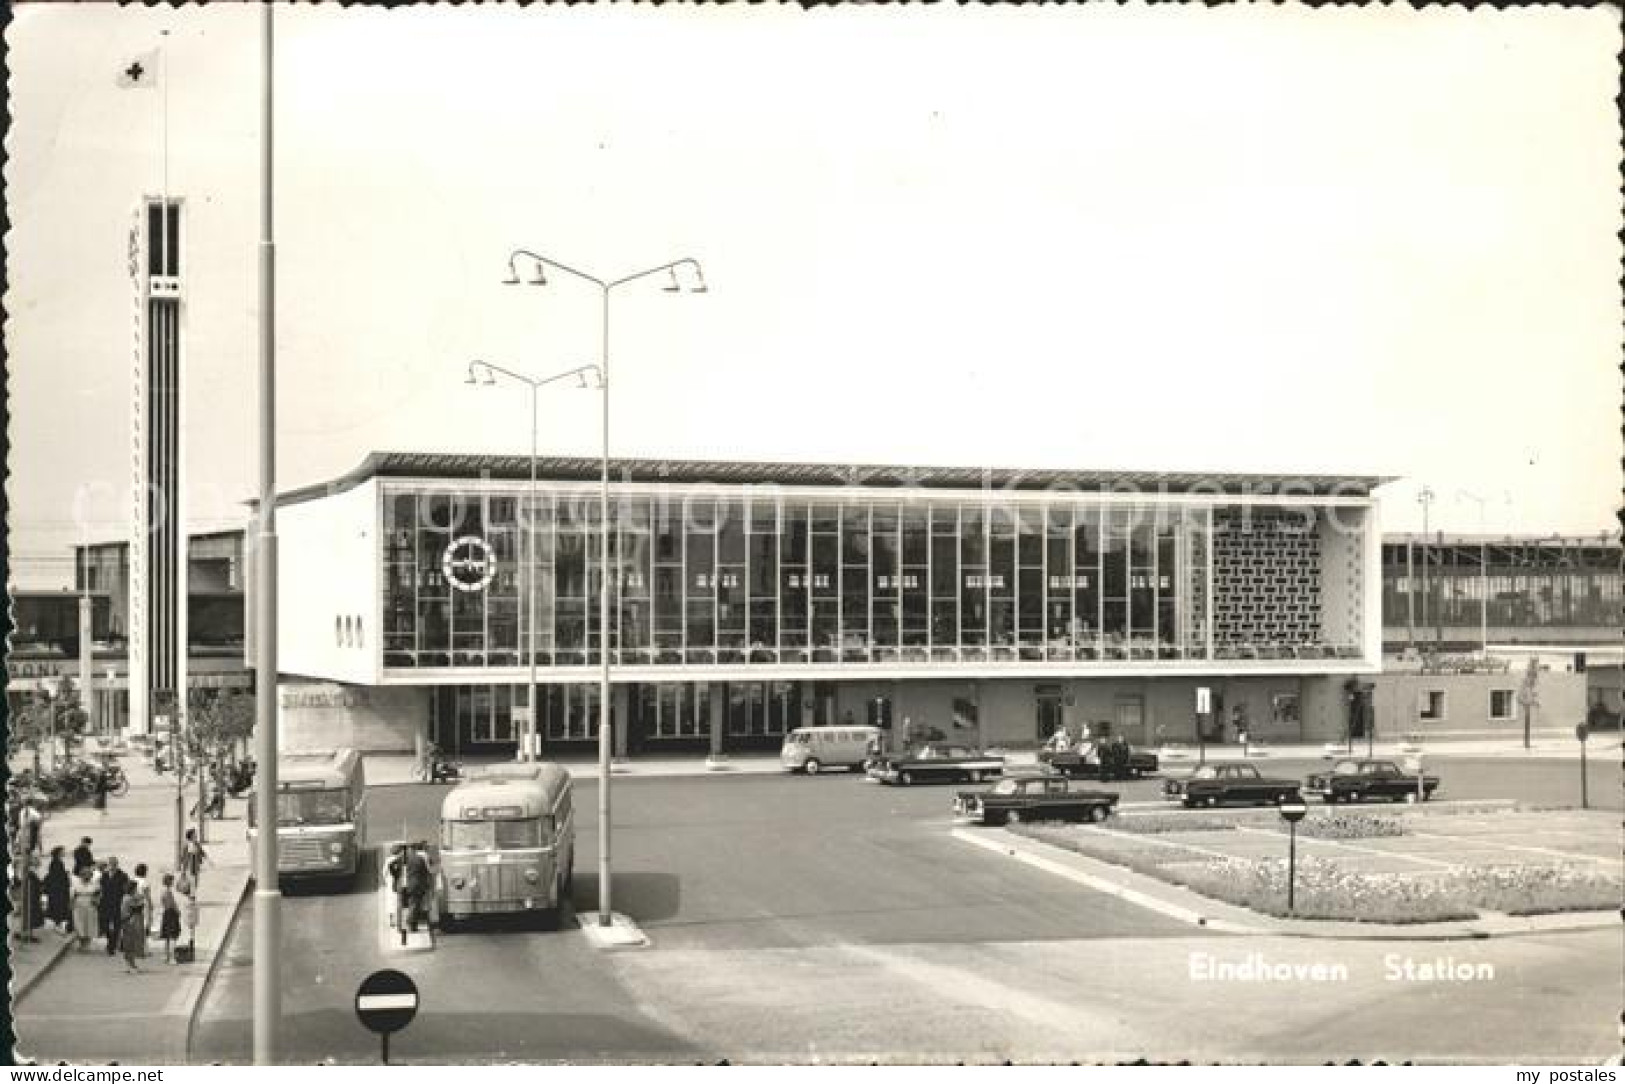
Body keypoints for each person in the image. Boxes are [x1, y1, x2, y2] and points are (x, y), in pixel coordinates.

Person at [98, 858, 129, 955]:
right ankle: (110, 940)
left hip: (117, 903)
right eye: (110, 864)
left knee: (116, 925)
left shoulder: (123, 875)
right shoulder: (104, 875)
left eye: (114, 864)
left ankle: (112, 945)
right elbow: (101, 888)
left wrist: (125, 903)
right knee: (104, 924)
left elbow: (125, 890)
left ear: (117, 864)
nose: (112, 866)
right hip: (105, 903)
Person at [119, 881, 148, 974]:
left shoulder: (126, 897)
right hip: (130, 922)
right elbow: (137, 908)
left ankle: (129, 965)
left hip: (126, 921)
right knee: (131, 944)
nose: (136, 890)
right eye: (135, 888)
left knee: (128, 944)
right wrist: (142, 902)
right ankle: (132, 965)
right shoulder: (129, 898)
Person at [70, 865, 100, 950]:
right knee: (79, 924)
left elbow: (98, 894)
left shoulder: (94, 883)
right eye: (84, 874)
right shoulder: (76, 883)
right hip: (79, 906)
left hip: (90, 906)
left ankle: (87, 942)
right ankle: (81, 942)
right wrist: (71, 905)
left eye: (88, 874)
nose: (87, 876)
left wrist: (96, 900)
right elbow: (72, 895)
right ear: (81, 875)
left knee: (89, 924)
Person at [43, 846, 71, 934]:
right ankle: (59, 926)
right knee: (59, 907)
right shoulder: (57, 863)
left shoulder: (55, 862)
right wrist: (65, 875)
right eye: (63, 852)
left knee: (56, 907)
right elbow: (58, 876)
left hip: (55, 890)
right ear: (59, 853)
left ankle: (58, 924)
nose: (64, 853)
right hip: (58, 890)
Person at [157, 873, 182, 964]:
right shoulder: (168, 892)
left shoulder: (162, 891)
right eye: (172, 881)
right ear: (169, 881)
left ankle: (166, 956)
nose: (173, 882)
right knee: (173, 937)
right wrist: (178, 911)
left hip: (166, 913)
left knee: (167, 937)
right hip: (171, 914)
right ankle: (172, 958)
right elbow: (172, 904)